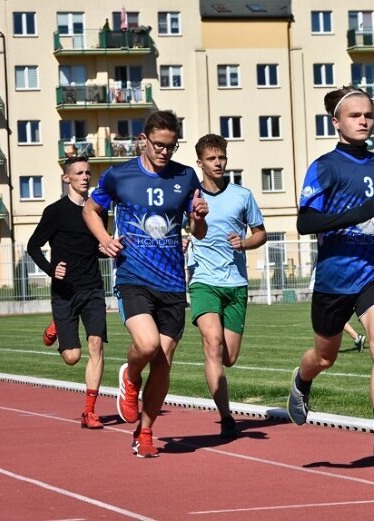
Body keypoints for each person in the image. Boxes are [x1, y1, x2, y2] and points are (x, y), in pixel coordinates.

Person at [287, 86, 374, 466]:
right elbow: (305, 221)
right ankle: (301, 380)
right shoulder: (324, 167)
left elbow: (371, 220)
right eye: (355, 115)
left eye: (368, 115)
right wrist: (355, 215)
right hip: (334, 277)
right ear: (336, 122)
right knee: (325, 357)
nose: (363, 121)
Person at [83, 110, 208, 458]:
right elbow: (90, 210)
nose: (165, 152)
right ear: (144, 140)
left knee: (165, 360)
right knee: (148, 343)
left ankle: (146, 432)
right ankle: (131, 376)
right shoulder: (119, 175)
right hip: (134, 277)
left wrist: (198, 219)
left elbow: (197, 231)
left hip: (172, 282)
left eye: (171, 146)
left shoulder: (186, 176)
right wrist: (104, 239)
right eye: (158, 145)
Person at [188, 134, 267, 439]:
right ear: (200, 163)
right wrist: (193, 224)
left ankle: (216, 370)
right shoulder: (192, 197)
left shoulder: (242, 196)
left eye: (221, 157)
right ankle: (226, 416)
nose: (218, 163)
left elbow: (260, 233)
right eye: (211, 158)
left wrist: (244, 243)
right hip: (203, 281)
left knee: (229, 356)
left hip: (235, 283)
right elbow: (193, 231)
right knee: (212, 344)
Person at [27, 155, 109, 430]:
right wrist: (51, 270)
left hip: (93, 287)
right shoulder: (55, 212)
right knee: (72, 357)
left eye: (88, 172)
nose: (85, 177)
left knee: (96, 345)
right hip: (64, 291)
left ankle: (90, 411)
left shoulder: (99, 210)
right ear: (67, 178)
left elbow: (99, 247)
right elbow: (33, 246)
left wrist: (108, 249)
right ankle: (57, 328)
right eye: (79, 173)